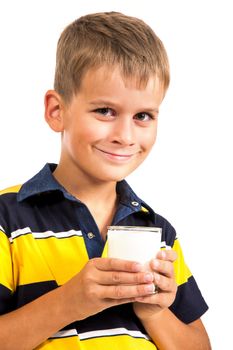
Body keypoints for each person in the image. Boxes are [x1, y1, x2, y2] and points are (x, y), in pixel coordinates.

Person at [0, 11, 211, 350]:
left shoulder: (158, 231)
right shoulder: (7, 218)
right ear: (57, 111)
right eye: (105, 111)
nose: (125, 136)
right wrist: (68, 302)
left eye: (143, 116)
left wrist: (153, 312)